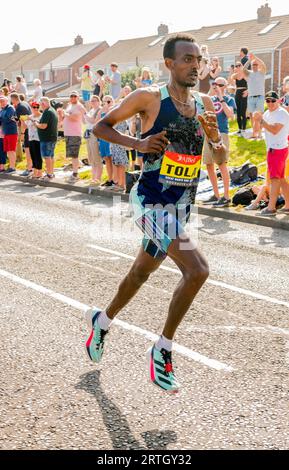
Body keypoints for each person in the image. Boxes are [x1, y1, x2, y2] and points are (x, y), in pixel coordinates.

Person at [89, 34, 226, 393]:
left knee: (139, 274)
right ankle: (162, 349)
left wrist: (215, 140)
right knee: (197, 269)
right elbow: (100, 126)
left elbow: (222, 159)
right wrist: (138, 143)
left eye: (198, 59)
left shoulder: (205, 102)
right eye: (187, 59)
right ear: (169, 64)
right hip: (150, 201)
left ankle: (101, 321)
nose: (195, 65)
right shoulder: (149, 98)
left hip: (181, 206)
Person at [254, 91, 289, 216]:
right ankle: (288, 205)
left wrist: (261, 120)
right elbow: (257, 130)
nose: (270, 103)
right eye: (268, 100)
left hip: (278, 149)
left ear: (278, 100)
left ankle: (271, 208)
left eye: (273, 100)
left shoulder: (282, 113)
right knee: (281, 178)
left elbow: (274, 130)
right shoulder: (267, 113)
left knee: (274, 179)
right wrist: (256, 119)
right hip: (273, 149)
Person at [202, 77, 235, 207]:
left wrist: (221, 97)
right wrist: (212, 90)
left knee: (221, 164)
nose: (216, 87)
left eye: (220, 85)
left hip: (222, 134)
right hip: (208, 134)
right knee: (209, 164)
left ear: (225, 86)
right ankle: (216, 195)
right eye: (215, 84)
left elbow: (230, 115)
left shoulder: (229, 99)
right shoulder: (210, 99)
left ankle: (226, 197)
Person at [62, 91, 86, 183]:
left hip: (75, 133)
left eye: (74, 96)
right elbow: (67, 117)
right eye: (71, 96)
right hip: (68, 133)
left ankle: (75, 174)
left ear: (78, 97)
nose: (72, 98)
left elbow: (75, 118)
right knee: (72, 155)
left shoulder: (79, 106)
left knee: (74, 155)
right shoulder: (70, 105)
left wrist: (65, 114)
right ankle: (78, 166)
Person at [243, 53, 266, 139]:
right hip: (251, 97)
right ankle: (254, 133)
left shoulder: (261, 72)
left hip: (260, 97)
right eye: (253, 65)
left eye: (256, 64)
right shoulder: (249, 73)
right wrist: (249, 60)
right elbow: (244, 68)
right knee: (252, 116)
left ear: (258, 65)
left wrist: (255, 58)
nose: (254, 66)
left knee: (259, 116)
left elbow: (263, 64)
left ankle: (260, 133)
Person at [35, 97, 58, 180]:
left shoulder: (47, 112)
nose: (40, 106)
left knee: (47, 157)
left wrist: (36, 123)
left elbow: (44, 126)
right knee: (51, 156)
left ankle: (49, 174)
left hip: (47, 138)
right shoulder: (52, 110)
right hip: (51, 137)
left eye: (40, 104)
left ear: (43, 103)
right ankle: (51, 173)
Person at [10, 92, 32, 177]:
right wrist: (14, 119)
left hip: (27, 131)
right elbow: (20, 119)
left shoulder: (19, 107)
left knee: (27, 150)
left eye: (11, 100)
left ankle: (29, 168)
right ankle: (31, 167)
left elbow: (23, 122)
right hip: (31, 130)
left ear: (13, 99)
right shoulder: (25, 103)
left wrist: (22, 133)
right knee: (29, 150)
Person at [84, 95, 103, 184]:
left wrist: (84, 113)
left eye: (95, 100)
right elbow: (85, 122)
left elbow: (93, 121)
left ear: (99, 101)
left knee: (96, 156)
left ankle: (98, 178)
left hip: (95, 134)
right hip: (88, 134)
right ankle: (93, 177)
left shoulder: (100, 110)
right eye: (92, 101)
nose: (93, 102)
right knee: (91, 156)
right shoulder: (91, 110)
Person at [97, 96, 114, 187]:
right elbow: (96, 122)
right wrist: (101, 110)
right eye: (104, 101)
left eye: (108, 101)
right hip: (103, 138)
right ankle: (110, 179)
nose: (106, 103)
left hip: (111, 138)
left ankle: (115, 180)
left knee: (112, 158)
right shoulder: (102, 111)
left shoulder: (113, 110)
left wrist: (107, 108)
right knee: (106, 159)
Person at [0, 95, 18, 173]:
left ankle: (13, 167)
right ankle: (10, 166)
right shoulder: (2, 110)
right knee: (8, 150)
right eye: (0, 102)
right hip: (5, 132)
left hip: (11, 132)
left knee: (12, 150)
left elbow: (9, 118)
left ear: (7, 101)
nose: (2, 103)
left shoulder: (10, 108)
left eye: (3, 101)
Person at [25, 102, 43, 178]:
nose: (35, 109)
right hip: (31, 138)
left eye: (37, 107)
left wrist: (31, 119)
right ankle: (35, 171)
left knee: (38, 155)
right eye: (34, 107)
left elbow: (39, 125)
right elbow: (25, 127)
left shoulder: (41, 116)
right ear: (31, 108)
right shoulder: (29, 116)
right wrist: (21, 120)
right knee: (33, 155)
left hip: (38, 138)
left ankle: (39, 172)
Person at [231, 62, 248, 135]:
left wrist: (247, 91)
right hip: (237, 93)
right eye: (236, 66)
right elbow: (229, 82)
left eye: (239, 65)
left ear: (242, 66)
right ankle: (239, 129)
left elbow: (250, 83)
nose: (238, 67)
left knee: (243, 112)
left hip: (244, 93)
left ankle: (244, 129)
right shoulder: (234, 75)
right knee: (238, 112)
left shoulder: (245, 74)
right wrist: (232, 72)